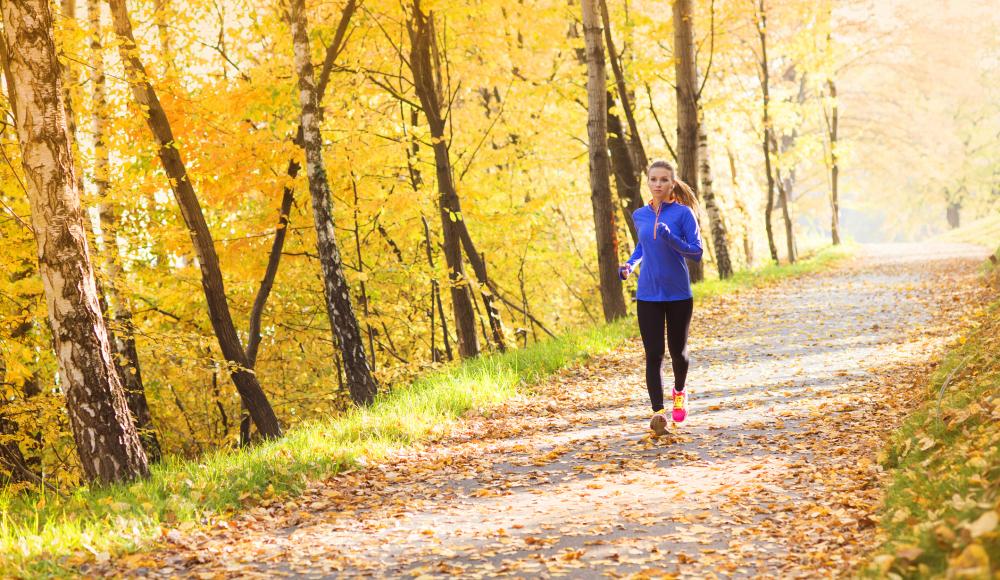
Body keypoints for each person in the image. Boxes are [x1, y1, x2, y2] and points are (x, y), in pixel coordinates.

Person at [619, 160, 703, 435]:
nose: (658, 184)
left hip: (678, 293)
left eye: (663, 180)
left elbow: (696, 252)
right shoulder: (639, 214)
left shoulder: (683, 214)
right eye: (653, 179)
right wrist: (630, 265)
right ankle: (658, 414)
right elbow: (642, 246)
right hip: (648, 295)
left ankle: (679, 391)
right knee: (653, 354)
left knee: (678, 353)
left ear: (672, 183)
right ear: (648, 182)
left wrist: (671, 239)